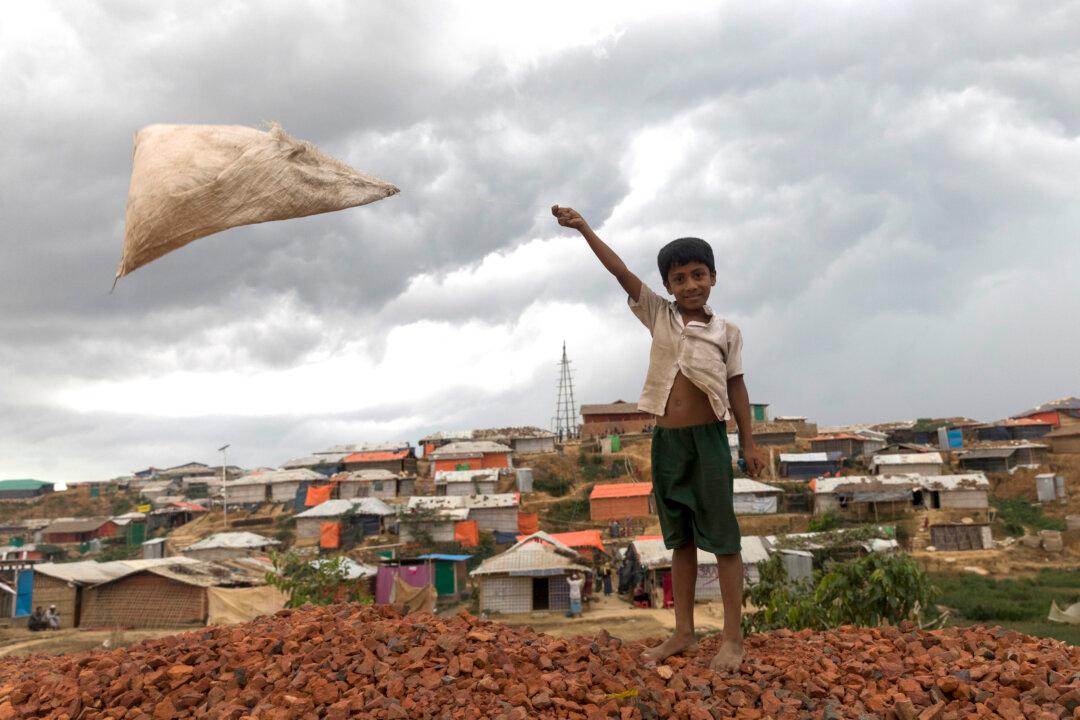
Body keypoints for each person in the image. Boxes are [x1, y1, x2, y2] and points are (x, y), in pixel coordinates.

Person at [553, 205, 767, 673]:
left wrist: (749, 443)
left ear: (713, 277)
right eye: (679, 278)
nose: (690, 285)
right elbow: (620, 272)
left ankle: (732, 638)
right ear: (668, 286)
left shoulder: (726, 332)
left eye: (698, 274)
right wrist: (584, 228)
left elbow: (737, 387)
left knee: (725, 541)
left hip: (708, 441)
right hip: (666, 444)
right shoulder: (658, 316)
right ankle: (684, 631)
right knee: (680, 541)